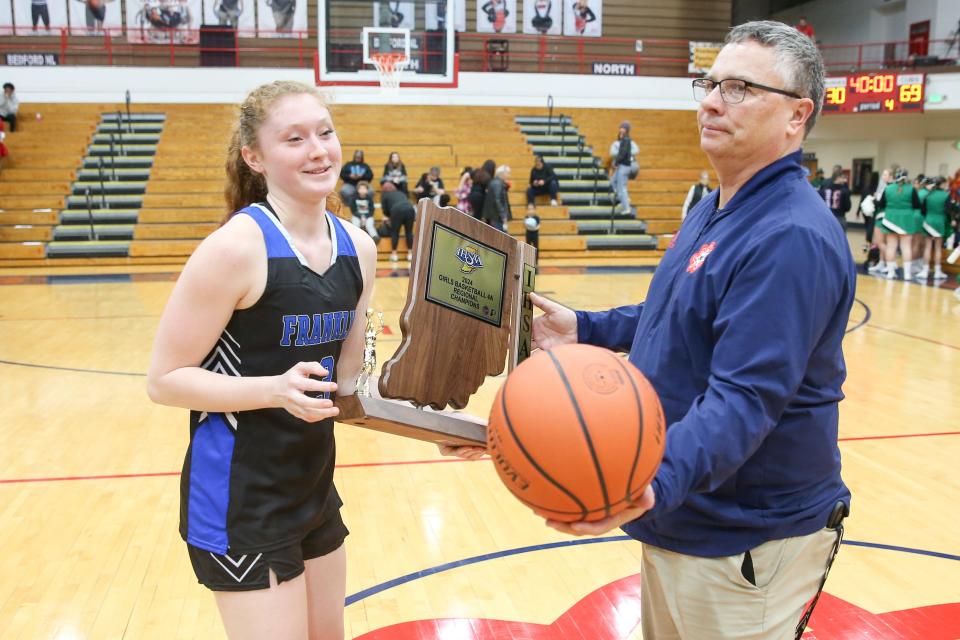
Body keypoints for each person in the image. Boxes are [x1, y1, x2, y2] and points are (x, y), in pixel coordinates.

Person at [445, 20, 853, 639]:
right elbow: (676, 315)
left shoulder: (788, 235)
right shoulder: (717, 205)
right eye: (711, 83)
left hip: (744, 535)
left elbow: (744, 400)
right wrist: (585, 328)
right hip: (695, 517)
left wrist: (648, 482)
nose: (712, 101)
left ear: (797, 116)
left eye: (740, 88)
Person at [146, 80, 377, 640]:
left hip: (313, 485)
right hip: (239, 499)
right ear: (255, 157)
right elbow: (164, 380)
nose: (318, 150)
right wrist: (273, 389)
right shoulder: (236, 249)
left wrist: (437, 415)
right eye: (294, 139)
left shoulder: (358, 247)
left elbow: (348, 385)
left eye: (325, 132)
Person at [877, 168, 922, 280]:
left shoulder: (888, 188)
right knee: (906, 247)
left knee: (891, 246)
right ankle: (907, 274)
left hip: (890, 219)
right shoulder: (911, 189)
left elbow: (881, 204)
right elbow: (917, 205)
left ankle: (890, 273)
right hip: (906, 220)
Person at [917, 176, 950, 280]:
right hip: (940, 222)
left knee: (927, 247)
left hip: (928, 221)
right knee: (938, 248)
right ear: (942, 184)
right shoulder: (946, 195)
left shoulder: (927, 195)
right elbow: (948, 211)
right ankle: (937, 271)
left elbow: (922, 210)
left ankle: (925, 271)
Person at [380, 181, 416, 262]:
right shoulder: (400, 192)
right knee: (409, 232)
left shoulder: (384, 195)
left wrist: (389, 217)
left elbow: (385, 210)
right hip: (410, 209)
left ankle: (394, 254)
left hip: (396, 210)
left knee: (395, 232)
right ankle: (410, 254)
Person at [608, 121, 638, 215]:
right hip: (622, 165)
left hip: (624, 166)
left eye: (623, 129)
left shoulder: (626, 140)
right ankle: (624, 199)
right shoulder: (624, 140)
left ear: (627, 130)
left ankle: (627, 207)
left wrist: (616, 162)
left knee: (622, 187)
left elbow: (622, 154)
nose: (621, 132)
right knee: (613, 182)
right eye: (620, 130)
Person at [481, 164, 512, 231]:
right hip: (497, 217)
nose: (509, 176)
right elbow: (497, 201)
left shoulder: (496, 182)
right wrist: (503, 216)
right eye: (508, 173)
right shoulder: (498, 184)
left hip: (495, 216)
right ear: (502, 174)